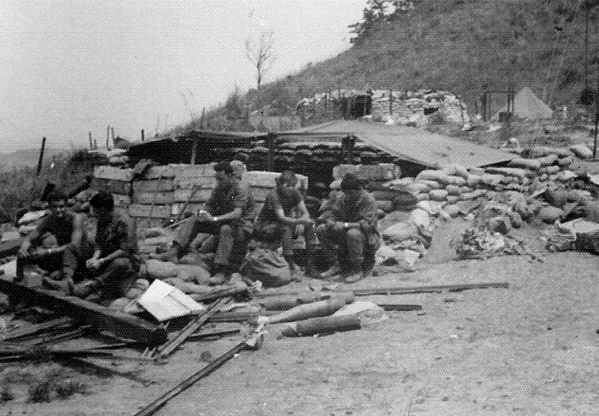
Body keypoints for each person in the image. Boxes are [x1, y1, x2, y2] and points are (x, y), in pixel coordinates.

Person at [152, 161, 256, 284]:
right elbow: (210, 205)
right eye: (217, 179)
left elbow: (237, 213)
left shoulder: (241, 188)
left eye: (221, 179)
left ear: (230, 176)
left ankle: (221, 271)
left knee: (226, 229)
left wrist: (214, 219)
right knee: (194, 219)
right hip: (225, 221)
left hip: (241, 226)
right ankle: (174, 252)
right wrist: (202, 213)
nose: (218, 181)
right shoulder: (220, 187)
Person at [44, 191, 140, 300]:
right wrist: (95, 258)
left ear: (103, 209)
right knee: (72, 248)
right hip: (105, 257)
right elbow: (99, 243)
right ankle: (67, 281)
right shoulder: (102, 219)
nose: (93, 213)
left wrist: (102, 261)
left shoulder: (126, 222)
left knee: (120, 263)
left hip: (127, 261)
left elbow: (124, 251)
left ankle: (87, 289)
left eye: (95, 210)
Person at [316, 173, 381, 283]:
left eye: (350, 193)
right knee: (321, 229)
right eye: (346, 193)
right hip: (345, 234)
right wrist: (331, 221)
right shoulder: (344, 198)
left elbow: (366, 225)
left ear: (358, 189)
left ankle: (357, 270)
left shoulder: (368, 200)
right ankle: (336, 264)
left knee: (353, 233)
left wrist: (345, 225)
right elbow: (334, 214)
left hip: (367, 237)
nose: (348, 196)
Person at [253, 170, 318, 276]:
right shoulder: (273, 195)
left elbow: (305, 213)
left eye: (293, 185)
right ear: (280, 185)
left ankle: (311, 264)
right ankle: (290, 263)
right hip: (267, 226)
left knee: (309, 225)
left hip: (286, 223)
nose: (291, 188)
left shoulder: (295, 192)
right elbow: (281, 218)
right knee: (286, 228)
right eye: (288, 186)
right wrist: (299, 221)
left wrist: (302, 222)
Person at [18, 190, 86, 276]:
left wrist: (48, 251)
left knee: (68, 251)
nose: (58, 210)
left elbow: (74, 245)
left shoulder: (76, 218)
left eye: (61, 206)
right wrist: (23, 249)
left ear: (66, 206)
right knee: (28, 252)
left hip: (79, 257)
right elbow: (29, 238)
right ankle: (27, 277)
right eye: (55, 207)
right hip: (61, 255)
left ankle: (65, 279)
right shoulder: (49, 220)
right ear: (50, 207)